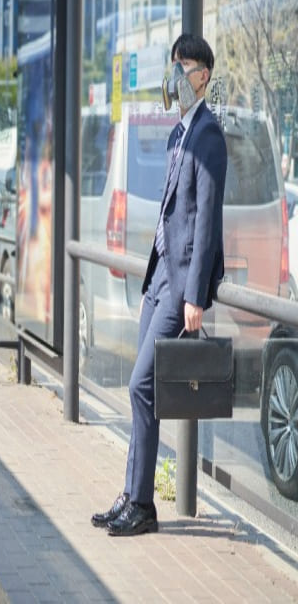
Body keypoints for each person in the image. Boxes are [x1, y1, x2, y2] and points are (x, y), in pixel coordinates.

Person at [91, 34, 227, 537]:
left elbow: (207, 219)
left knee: (140, 385)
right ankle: (130, 493)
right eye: (174, 65)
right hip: (158, 278)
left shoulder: (209, 134)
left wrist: (195, 294)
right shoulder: (179, 133)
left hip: (178, 286)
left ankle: (144, 506)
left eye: (183, 66)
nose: (175, 75)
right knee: (139, 392)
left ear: (203, 76)